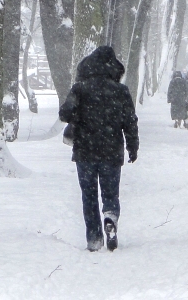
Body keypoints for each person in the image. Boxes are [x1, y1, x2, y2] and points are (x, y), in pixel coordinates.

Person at [59, 46, 138, 252]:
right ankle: (110, 216)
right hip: (112, 151)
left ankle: (94, 238)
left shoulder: (80, 88)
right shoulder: (120, 91)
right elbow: (130, 121)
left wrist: (78, 113)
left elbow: (65, 114)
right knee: (111, 193)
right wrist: (132, 146)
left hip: (85, 151)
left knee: (89, 195)